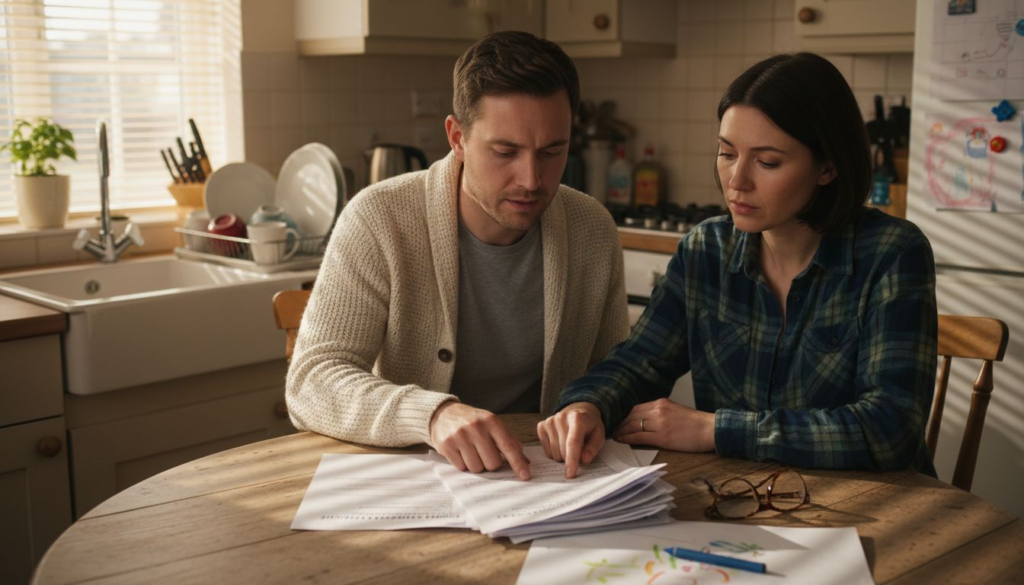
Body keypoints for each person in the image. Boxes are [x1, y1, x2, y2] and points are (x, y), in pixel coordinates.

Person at [538, 52, 939, 480]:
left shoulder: (892, 254)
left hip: (875, 501)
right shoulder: (706, 250)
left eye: (767, 162)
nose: (737, 180)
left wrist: (715, 430)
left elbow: (890, 429)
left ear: (827, 167)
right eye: (727, 153)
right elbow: (639, 363)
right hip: (745, 496)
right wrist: (588, 405)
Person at [286, 31, 629, 481]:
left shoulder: (593, 229)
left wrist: (593, 404)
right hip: (413, 480)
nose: (531, 179)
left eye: (552, 151)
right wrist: (432, 415)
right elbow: (311, 381)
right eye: (505, 151)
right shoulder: (378, 219)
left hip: (547, 482)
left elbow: (617, 374)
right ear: (457, 137)